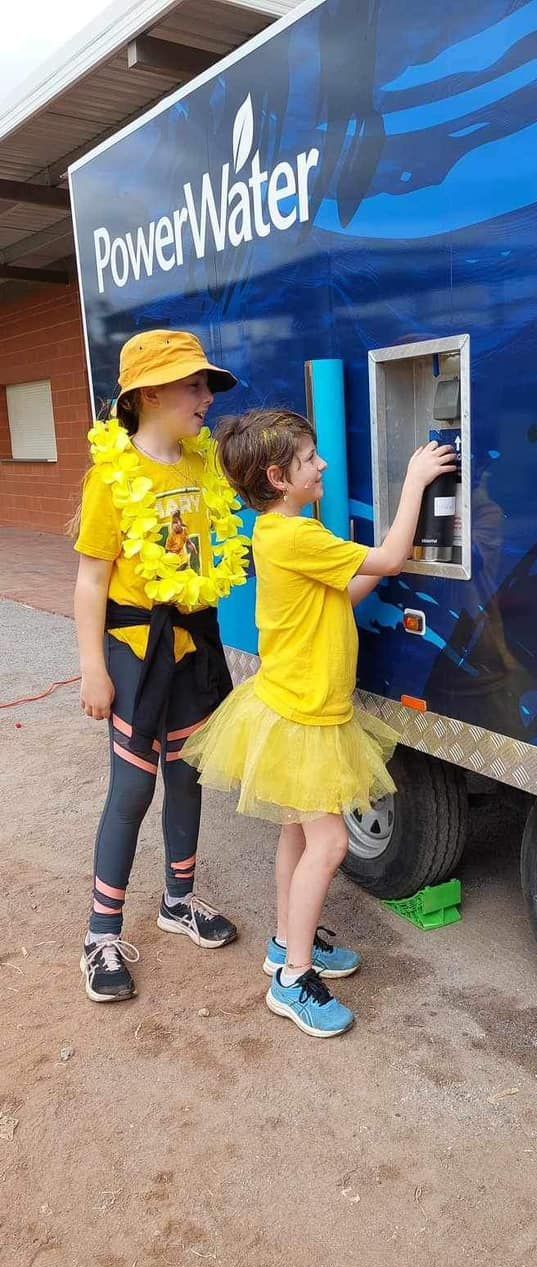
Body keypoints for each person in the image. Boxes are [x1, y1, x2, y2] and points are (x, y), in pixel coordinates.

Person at [183, 409, 456, 1038]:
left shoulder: (281, 534)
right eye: (310, 458)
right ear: (280, 477)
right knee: (330, 844)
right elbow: (387, 559)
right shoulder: (295, 536)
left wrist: (364, 577)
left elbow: (340, 594)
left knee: (299, 836)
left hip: (297, 708)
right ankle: (291, 979)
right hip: (301, 716)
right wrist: (414, 481)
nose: (323, 463)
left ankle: (286, 943)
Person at [73, 329, 249, 1003]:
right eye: (194, 385)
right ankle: (100, 933)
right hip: (135, 645)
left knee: (188, 774)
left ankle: (179, 899)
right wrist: (93, 666)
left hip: (193, 640)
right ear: (149, 394)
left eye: (206, 385)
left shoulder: (202, 466)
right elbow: (92, 580)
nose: (207, 398)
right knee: (132, 787)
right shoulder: (113, 479)